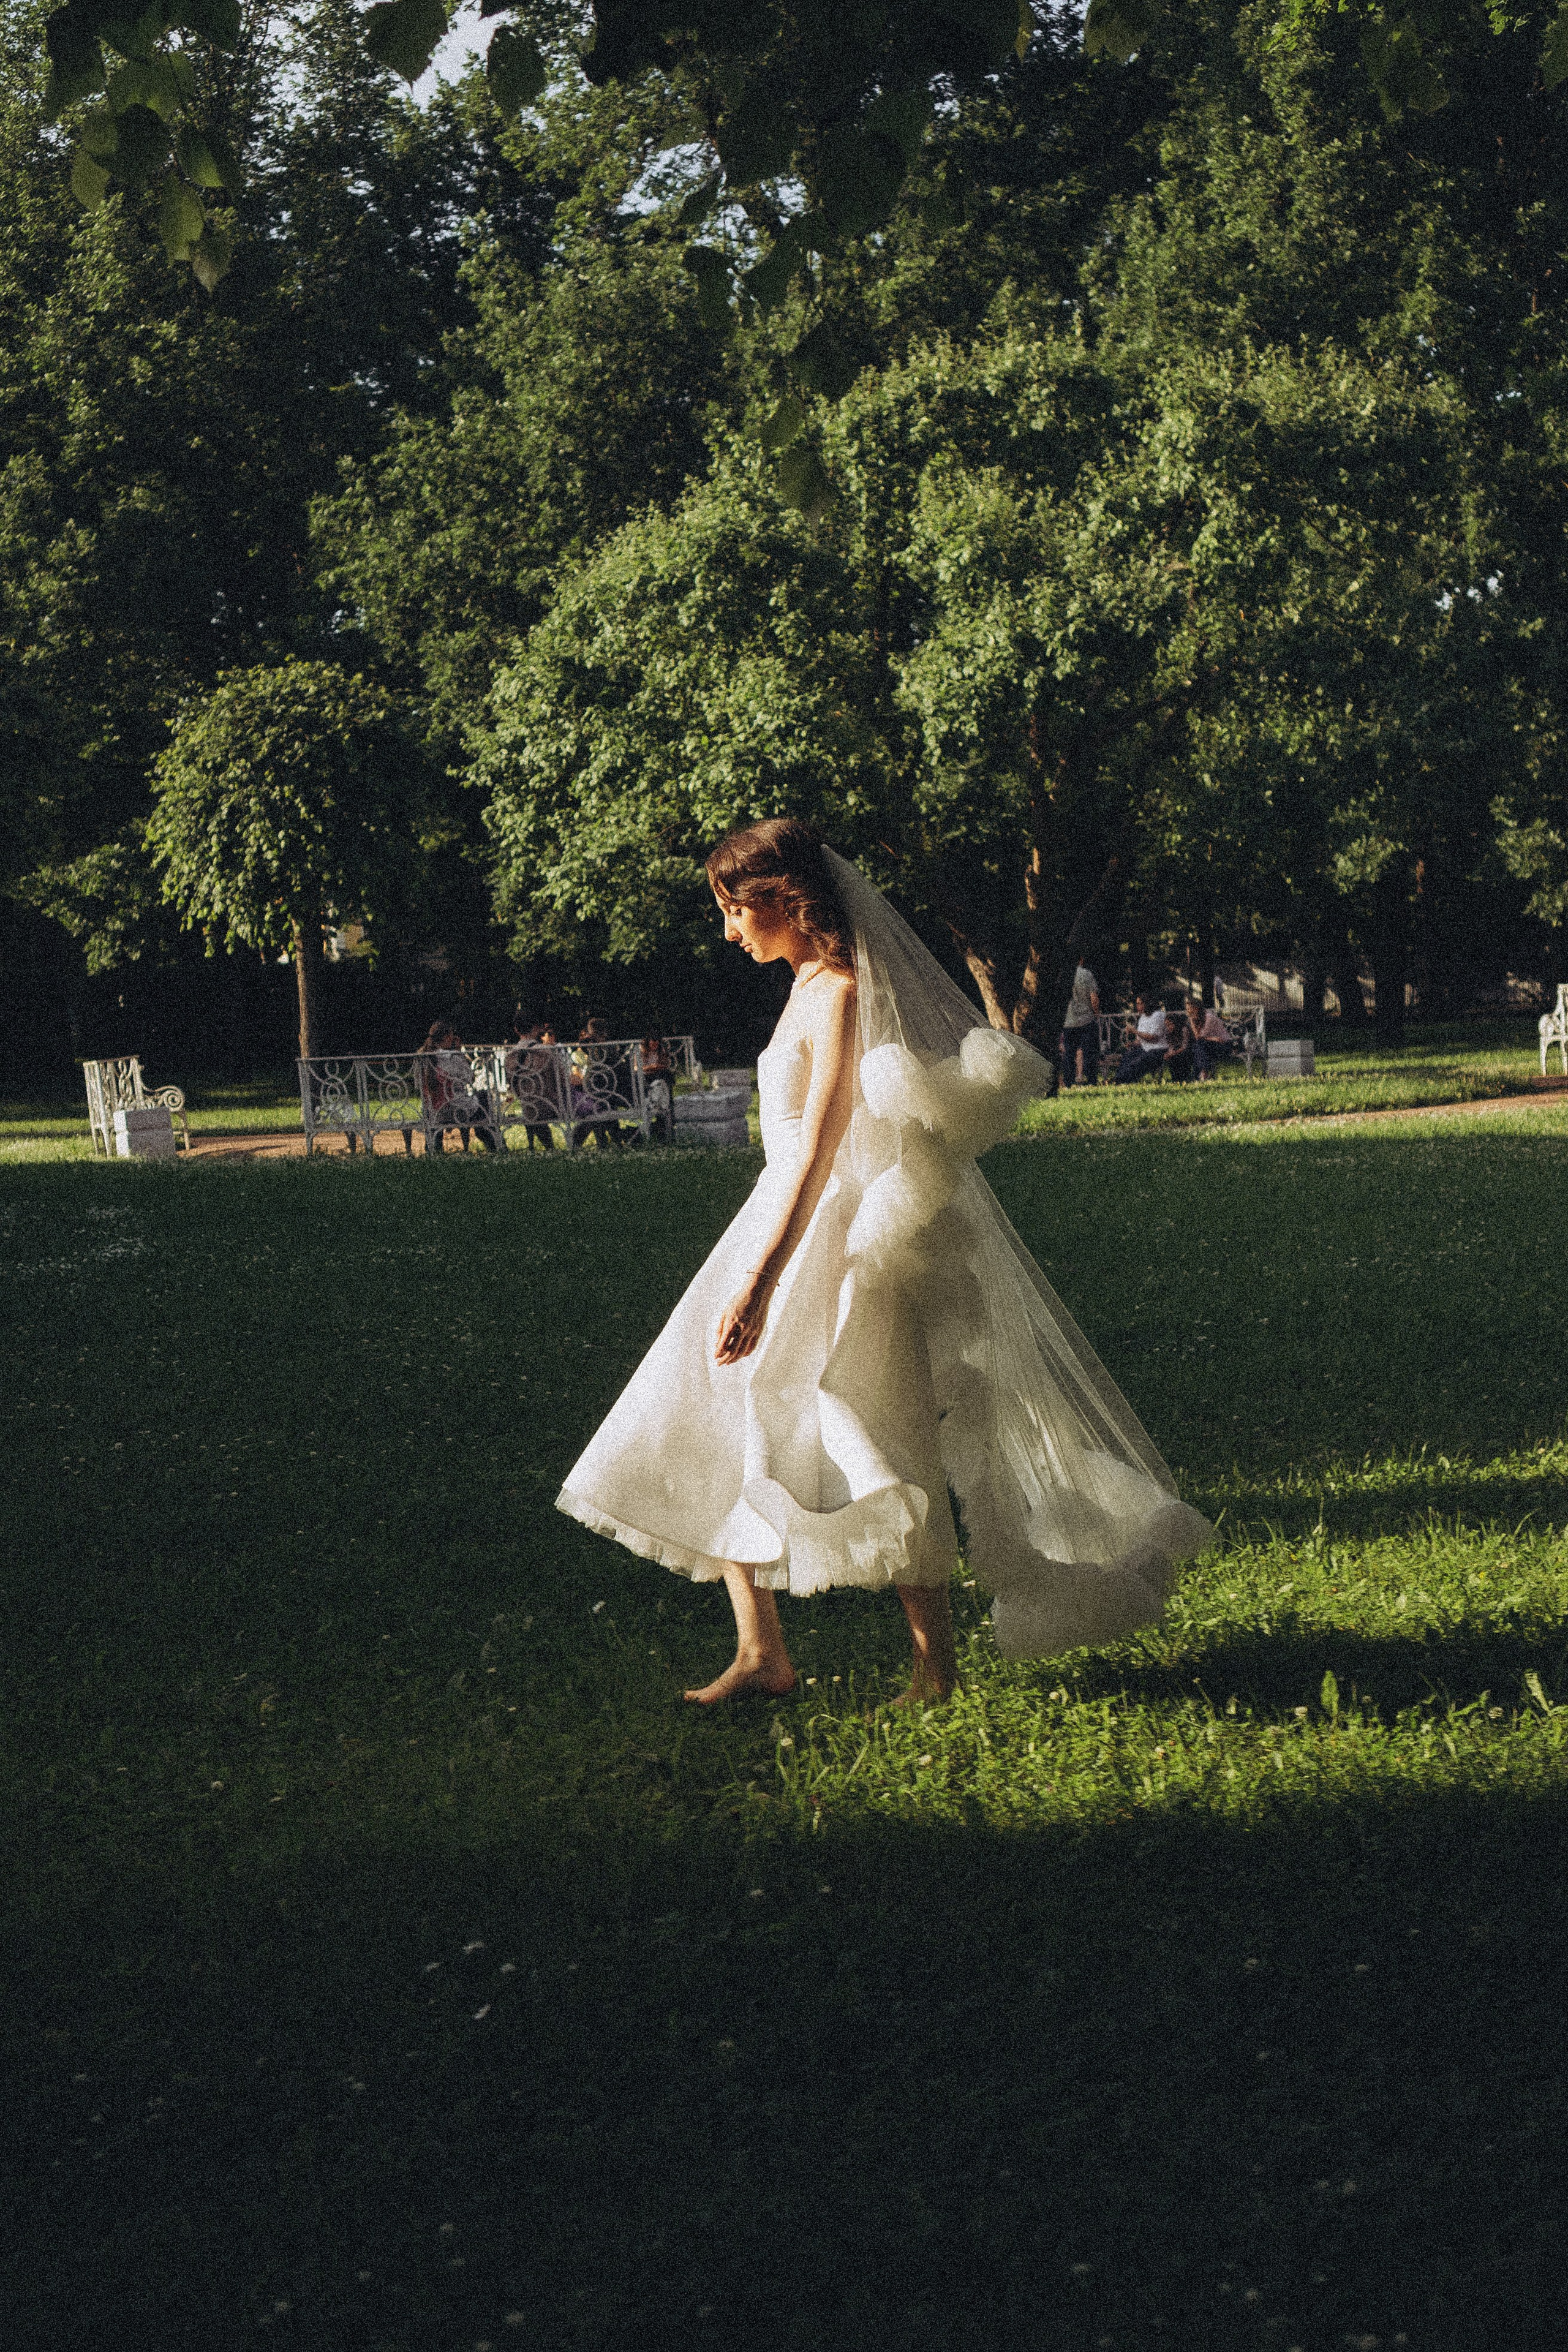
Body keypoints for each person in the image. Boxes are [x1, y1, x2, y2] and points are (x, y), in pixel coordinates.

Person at [557, 817, 1212, 1706]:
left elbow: (823, 1143)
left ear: (784, 902)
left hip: (829, 1235)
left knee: (876, 1428)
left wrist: (762, 1276)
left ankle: (933, 1670)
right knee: (710, 1409)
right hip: (776, 1223)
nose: (728, 931)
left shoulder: (841, 992)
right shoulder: (803, 986)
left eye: (736, 911)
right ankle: (761, 1653)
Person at [505, 1020, 559, 1149]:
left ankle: (547, 1147)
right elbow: (561, 1080)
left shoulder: (509, 1056)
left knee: (532, 1110)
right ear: (536, 1029)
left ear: (516, 1030)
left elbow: (513, 1087)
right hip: (553, 1105)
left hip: (528, 1106)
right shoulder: (547, 1051)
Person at [1059, 959, 1101, 1087]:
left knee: (1069, 1054)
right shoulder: (1087, 975)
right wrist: (1096, 1013)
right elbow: (1094, 997)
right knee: (1089, 1052)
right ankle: (1091, 1080)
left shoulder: (1063, 975)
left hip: (1069, 1021)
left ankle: (1068, 1082)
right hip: (1086, 1020)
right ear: (1081, 959)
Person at [1113, 993, 1169, 1084]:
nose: (1138, 1006)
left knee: (1138, 1061)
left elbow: (1152, 1038)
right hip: (1146, 1049)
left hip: (1159, 1049)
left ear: (1148, 1003)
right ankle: (1117, 1079)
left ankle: (1120, 1081)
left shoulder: (1158, 1016)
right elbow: (1140, 1041)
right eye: (1137, 1004)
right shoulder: (1143, 1017)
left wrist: (1135, 1031)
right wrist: (1131, 1044)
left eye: (1141, 1004)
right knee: (1127, 1057)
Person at [639, 1034, 674, 1145]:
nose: (655, 1045)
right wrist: (653, 1067)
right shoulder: (642, 1054)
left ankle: (666, 1104)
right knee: (660, 1076)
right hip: (648, 1078)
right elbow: (641, 1068)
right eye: (652, 1042)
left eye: (657, 1042)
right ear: (647, 1043)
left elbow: (664, 1065)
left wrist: (656, 1067)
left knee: (664, 1075)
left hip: (660, 1076)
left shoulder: (661, 1052)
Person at [1189, 1000, 1232, 1081]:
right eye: (1187, 1009)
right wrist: (1212, 1038)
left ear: (1197, 1008)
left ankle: (1200, 1074)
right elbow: (1198, 1037)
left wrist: (1210, 1038)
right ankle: (1203, 1073)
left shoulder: (1209, 1017)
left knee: (1199, 1046)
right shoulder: (1195, 1019)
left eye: (1190, 1009)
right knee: (1198, 1046)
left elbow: (1201, 1036)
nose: (1189, 1011)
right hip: (1210, 1044)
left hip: (1225, 1044)